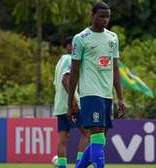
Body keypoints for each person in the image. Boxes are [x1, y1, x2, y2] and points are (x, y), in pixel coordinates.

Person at [68, 2, 126, 168]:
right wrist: (70, 100)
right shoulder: (80, 39)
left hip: (107, 95)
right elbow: (74, 72)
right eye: (101, 16)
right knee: (98, 137)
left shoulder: (113, 38)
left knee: (100, 140)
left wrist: (120, 98)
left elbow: (115, 69)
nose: (105, 20)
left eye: (107, 16)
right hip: (90, 94)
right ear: (92, 15)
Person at [53, 36, 90, 168]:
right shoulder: (69, 59)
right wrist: (73, 101)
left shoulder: (59, 62)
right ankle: (80, 165)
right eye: (76, 46)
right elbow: (65, 80)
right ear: (69, 46)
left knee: (63, 139)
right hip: (71, 104)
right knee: (88, 133)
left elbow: (57, 82)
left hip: (59, 105)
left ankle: (62, 166)